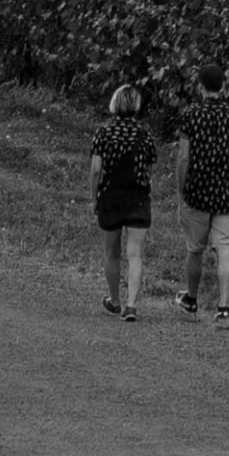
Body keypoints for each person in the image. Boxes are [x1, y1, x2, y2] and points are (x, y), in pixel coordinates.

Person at [173, 60, 229, 325]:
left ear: (200, 87)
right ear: (224, 86)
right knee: (224, 248)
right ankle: (224, 306)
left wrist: (182, 191)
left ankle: (191, 298)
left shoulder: (191, 115)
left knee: (195, 249)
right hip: (225, 192)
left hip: (197, 192)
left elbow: (183, 157)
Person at [90, 83, 155, 320]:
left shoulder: (103, 133)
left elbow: (96, 170)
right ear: (136, 106)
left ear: (115, 103)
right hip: (138, 197)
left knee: (111, 252)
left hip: (111, 196)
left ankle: (115, 300)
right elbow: (148, 169)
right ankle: (132, 305)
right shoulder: (145, 135)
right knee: (135, 253)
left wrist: (94, 197)